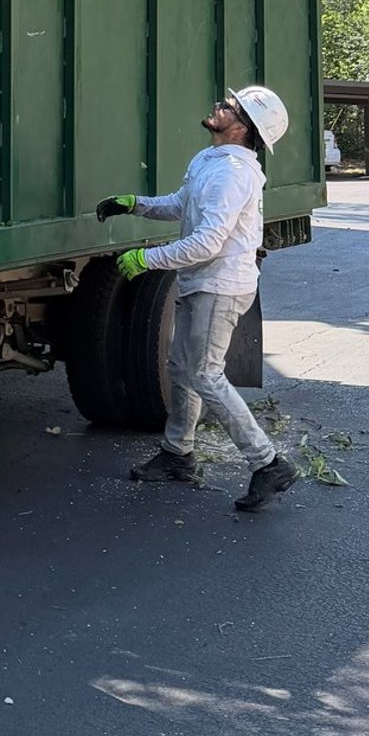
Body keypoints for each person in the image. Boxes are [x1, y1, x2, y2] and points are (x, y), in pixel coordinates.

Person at [96, 84, 299, 513]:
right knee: (182, 370)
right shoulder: (211, 160)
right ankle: (177, 455)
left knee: (205, 375)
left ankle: (268, 463)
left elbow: (208, 242)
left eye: (228, 107)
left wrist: (147, 259)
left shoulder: (233, 173)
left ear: (241, 128)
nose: (218, 106)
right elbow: (180, 205)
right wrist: (135, 205)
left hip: (220, 286)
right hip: (202, 282)